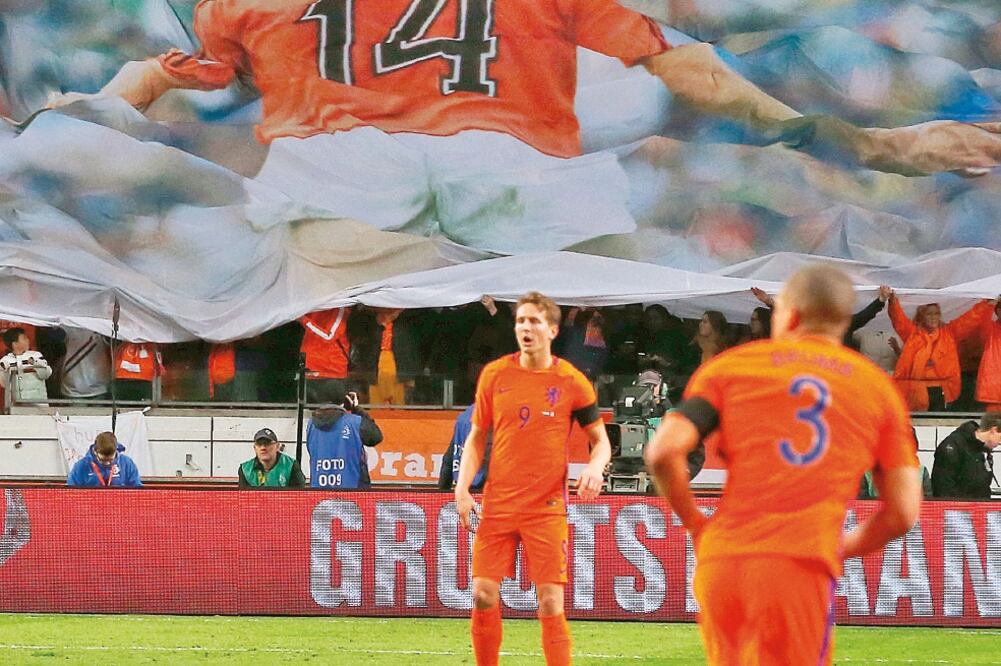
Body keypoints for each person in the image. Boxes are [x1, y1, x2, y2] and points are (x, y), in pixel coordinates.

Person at [645, 265, 921, 666]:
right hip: (800, 563)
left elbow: (663, 452)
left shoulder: (729, 367)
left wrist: (696, 524)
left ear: (788, 314)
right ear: (842, 321)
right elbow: (903, 512)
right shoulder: (877, 388)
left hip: (724, 559)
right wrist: (838, 548)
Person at [456, 291, 611, 666]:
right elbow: (476, 437)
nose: (526, 327)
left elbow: (601, 441)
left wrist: (594, 468)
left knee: (550, 601)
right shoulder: (495, 375)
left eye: (534, 321)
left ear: (552, 330)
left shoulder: (571, 380)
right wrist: (462, 488)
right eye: (521, 321)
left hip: (546, 507)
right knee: (482, 594)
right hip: (498, 504)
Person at [887, 293, 996, 411]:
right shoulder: (912, 334)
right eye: (929, 314)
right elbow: (898, 320)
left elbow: (969, 319)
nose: (933, 317)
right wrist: (893, 301)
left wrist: (987, 304)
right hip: (915, 392)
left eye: (936, 313)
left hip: (943, 390)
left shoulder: (949, 333)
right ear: (921, 317)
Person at [306, 391, 383, 489]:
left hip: (319, 491)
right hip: (352, 491)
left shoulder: (311, 425)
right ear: (344, 401)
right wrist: (357, 409)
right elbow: (376, 437)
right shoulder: (355, 422)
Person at [930, 413, 1001, 500]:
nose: (1000, 442)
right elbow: (943, 486)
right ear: (993, 430)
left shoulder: (982, 450)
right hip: (955, 505)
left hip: (976, 505)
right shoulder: (954, 446)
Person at [299, 307, 352, 404]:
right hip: (310, 371)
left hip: (332, 373)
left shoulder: (340, 310)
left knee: (334, 410)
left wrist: (303, 320)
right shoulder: (313, 307)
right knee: (309, 411)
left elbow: (329, 336)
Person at [438, 403, 489, 492]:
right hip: (488, 488)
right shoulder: (495, 415)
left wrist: (442, 491)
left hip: (465, 487)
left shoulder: (464, 417)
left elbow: (448, 459)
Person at [67, 431, 143, 487]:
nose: (107, 463)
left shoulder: (127, 464)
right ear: (95, 452)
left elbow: (137, 490)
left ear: (116, 451)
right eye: (103, 460)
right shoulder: (81, 466)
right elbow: (70, 492)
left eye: (111, 460)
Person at [238, 427, 306, 488]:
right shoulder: (245, 469)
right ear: (255, 448)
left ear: (277, 446)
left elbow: (298, 495)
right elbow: (244, 496)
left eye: (267, 443)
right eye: (259, 444)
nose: (263, 448)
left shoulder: (291, 466)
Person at [0, 326, 51, 404]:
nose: (28, 340)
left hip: (38, 404)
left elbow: (46, 374)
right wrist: (3, 370)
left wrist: (35, 363)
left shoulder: (36, 355)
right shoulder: (5, 360)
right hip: (17, 405)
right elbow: (4, 384)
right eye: (24, 338)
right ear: (15, 344)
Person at [59, 326, 111, 400]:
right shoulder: (67, 325)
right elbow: (56, 337)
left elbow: (114, 340)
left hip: (99, 385)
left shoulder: (103, 325)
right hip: (73, 387)